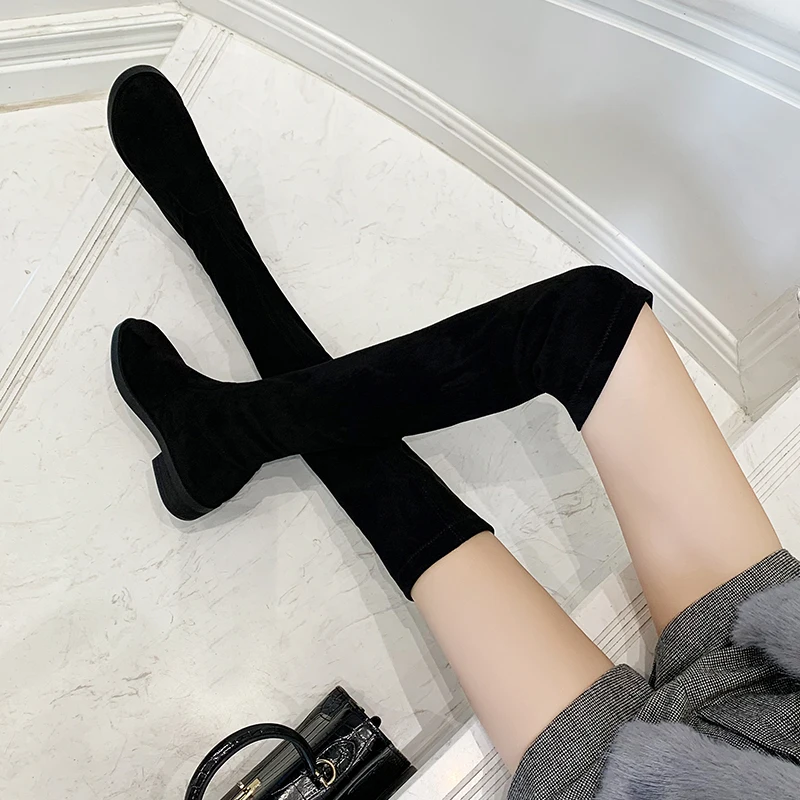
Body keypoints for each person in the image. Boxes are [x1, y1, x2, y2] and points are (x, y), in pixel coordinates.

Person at [107, 66, 800, 799]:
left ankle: (222, 377)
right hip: (780, 674)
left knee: (420, 520)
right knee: (592, 320)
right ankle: (225, 426)